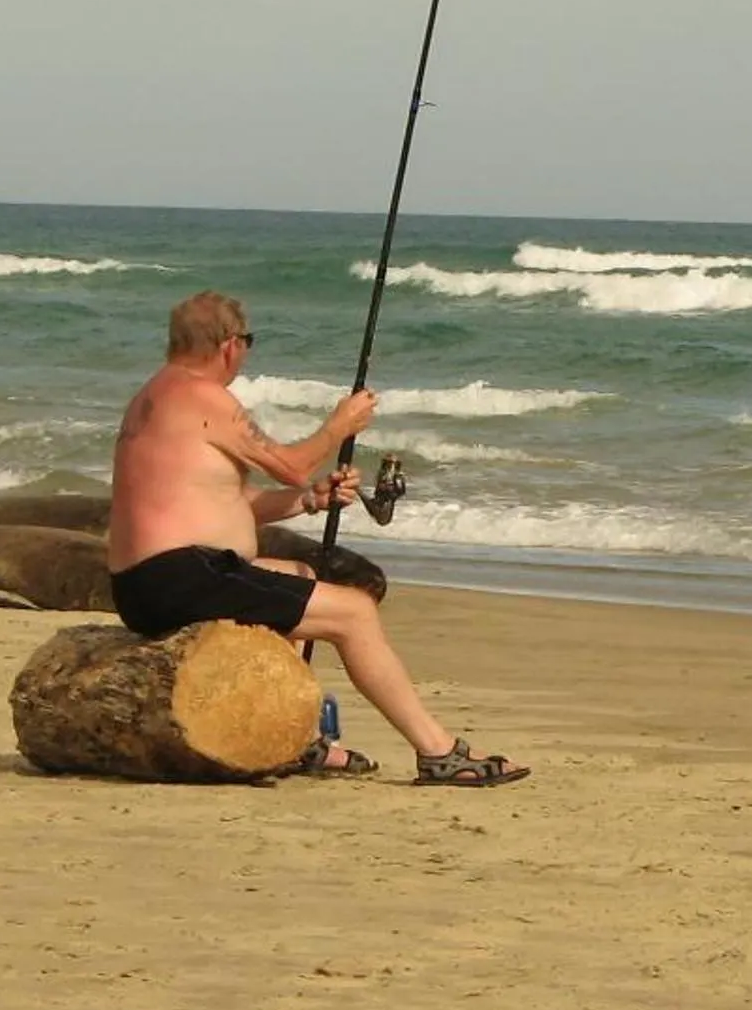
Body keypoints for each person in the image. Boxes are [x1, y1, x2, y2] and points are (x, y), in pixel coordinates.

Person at [106, 289, 528, 786]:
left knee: (303, 576)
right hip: (180, 575)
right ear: (229, 345)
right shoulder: (203, 397)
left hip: (154, 579)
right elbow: (292, 465)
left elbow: (227, 501)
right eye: (248, 342)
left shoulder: (156, 396)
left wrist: (311, 500)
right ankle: (436, 751)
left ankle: (299, 738)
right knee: (354, 613)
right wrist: (340, 424)